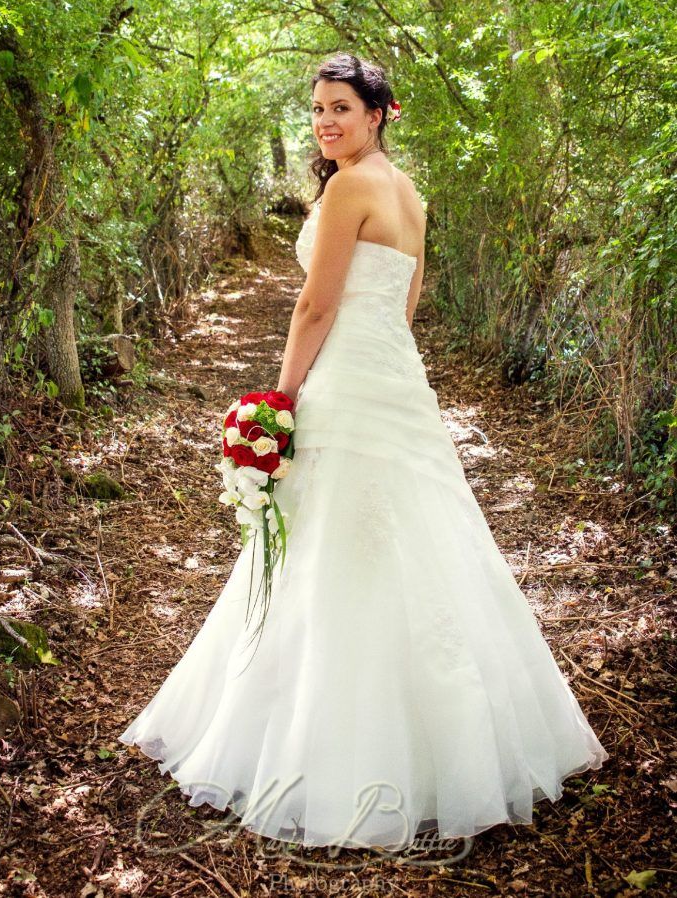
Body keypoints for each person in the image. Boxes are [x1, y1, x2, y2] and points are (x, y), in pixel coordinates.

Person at [118, 52, 609, 852]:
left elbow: (314, 306)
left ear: (378, 111)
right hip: (391, 374)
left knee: (337, 542)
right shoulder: (405, 189)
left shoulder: (349, 187)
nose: (325, 122)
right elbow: (406, 301)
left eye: (340, 107)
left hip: (348, 375)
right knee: (413, 539)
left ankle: (334, 747)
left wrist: (278, 400)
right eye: (317, 109)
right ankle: (452, 745)